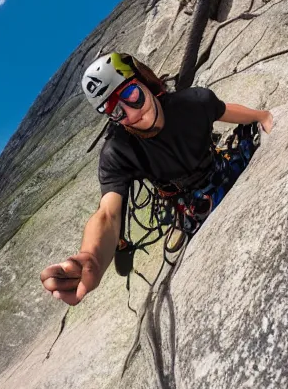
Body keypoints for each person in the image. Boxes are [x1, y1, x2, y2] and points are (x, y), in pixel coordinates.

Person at [40, 52, 273, 306]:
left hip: (217, 172)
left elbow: (225, 111)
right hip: (194, 204)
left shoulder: (194, 102)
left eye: (130, 95)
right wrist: (91, 257)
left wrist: (262, 116)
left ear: (143, 80)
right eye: (116, 110)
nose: (132, 112)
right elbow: (108, 214)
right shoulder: (119, 151)